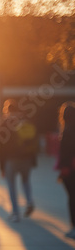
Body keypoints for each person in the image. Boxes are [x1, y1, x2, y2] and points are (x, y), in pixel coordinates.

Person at [0, 99, 38, 222]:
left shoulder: (5, 124)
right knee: (26, 181)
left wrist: (1, 166)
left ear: (6, 110)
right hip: (26, 159)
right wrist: (33, 160)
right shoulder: (25, 121)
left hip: (11, 160)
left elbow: (0, 146)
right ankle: (29, 201)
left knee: (11, 185)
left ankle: (15, 213)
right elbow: (33, 141)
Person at [56, 101, 75, 239]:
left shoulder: (67, 130)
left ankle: (74, 227)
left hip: (70, 169)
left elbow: (65, 152)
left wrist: (63, 169)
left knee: (72, 198)